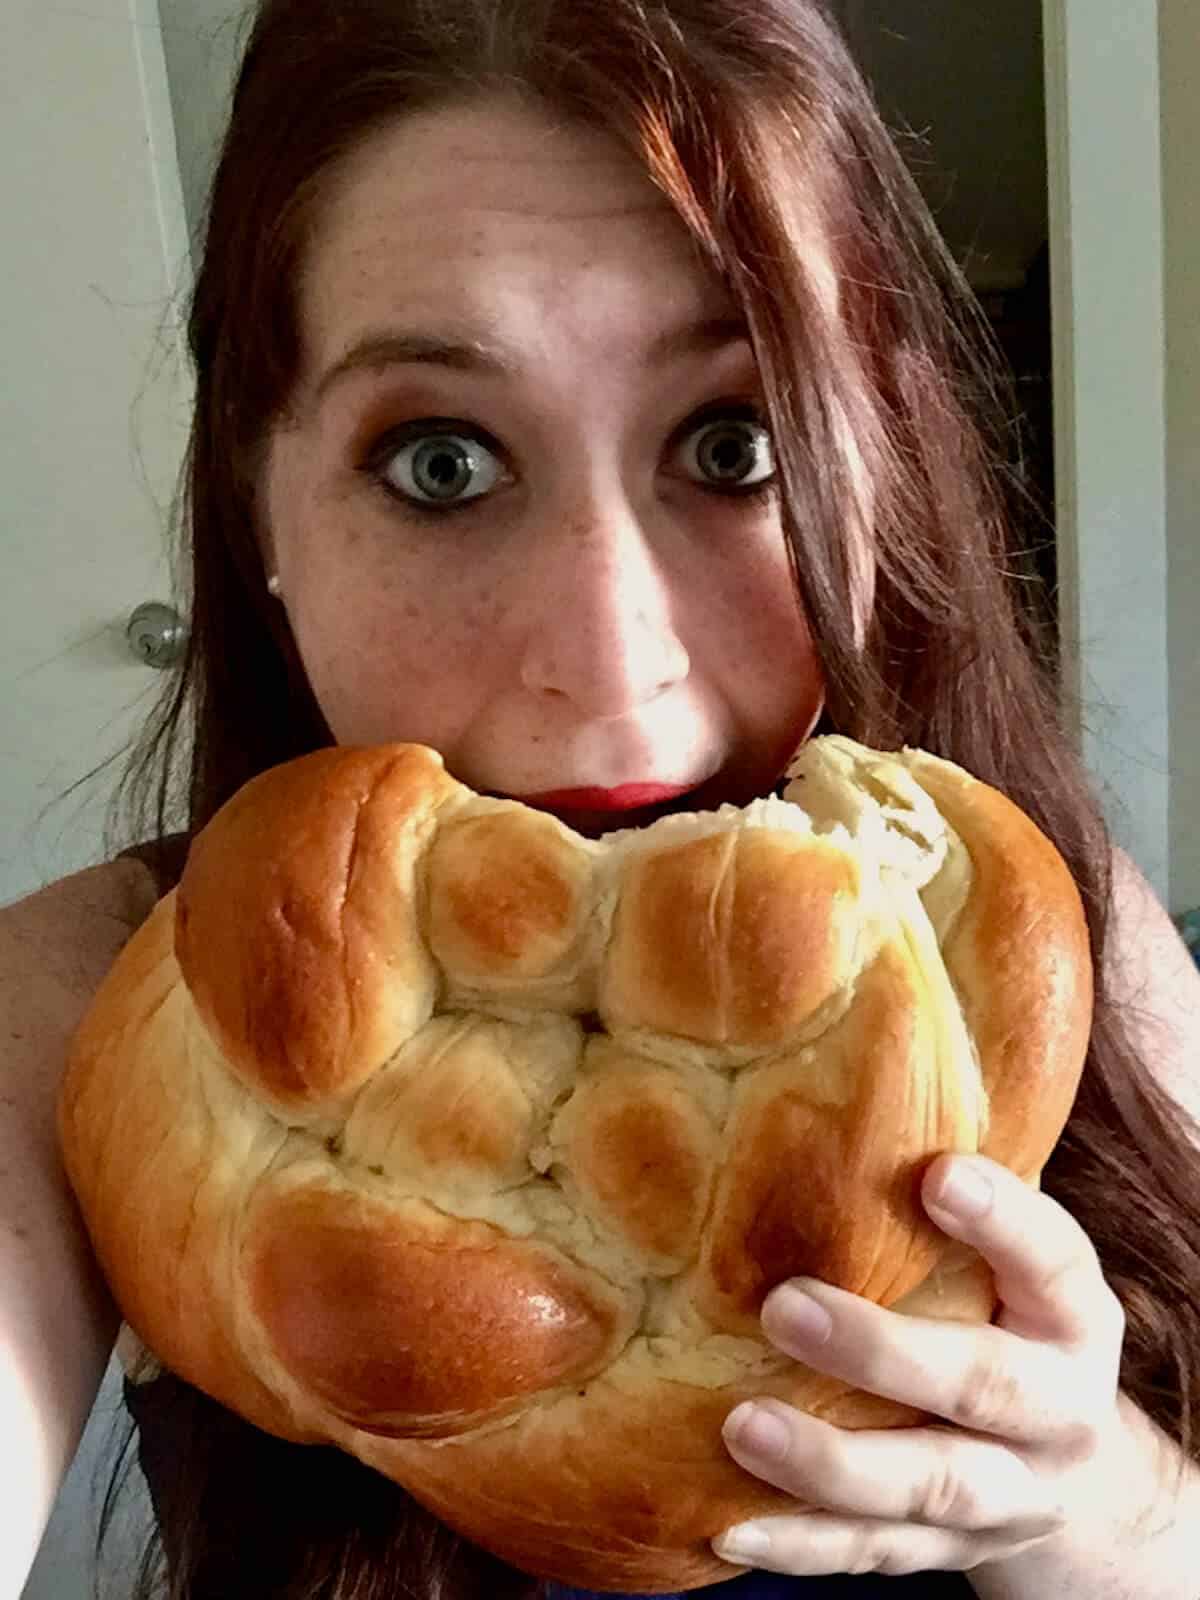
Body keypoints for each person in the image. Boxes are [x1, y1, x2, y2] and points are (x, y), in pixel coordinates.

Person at [4, 1, 1199, 1596]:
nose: (612, 667)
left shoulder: (1046, 948)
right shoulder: (112, 1010)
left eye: (734, 442)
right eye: (443, 461)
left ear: (877, 460)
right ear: (257, 497)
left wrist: (1107, 1517)